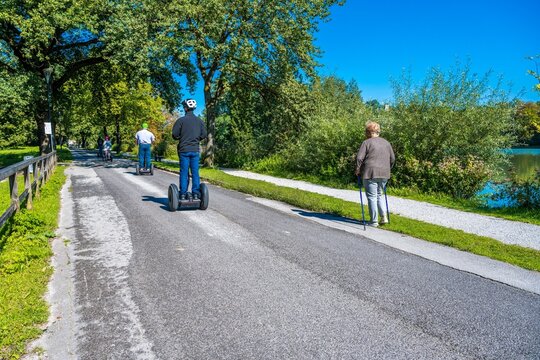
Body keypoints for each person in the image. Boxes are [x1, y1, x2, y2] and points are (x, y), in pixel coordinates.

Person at [355, 121, 395, 227]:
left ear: (368, 132)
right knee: (379, 195)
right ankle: (384, 217)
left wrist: (358, 169)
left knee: (372, 196)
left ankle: (374, 221)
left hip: (370, 172)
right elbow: (392, 159)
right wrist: (388, 168)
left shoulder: (366, 142)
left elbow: (359, 158)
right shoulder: (386, 143)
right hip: (385, 173)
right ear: (378, 131)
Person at [172, 99, 207, 200]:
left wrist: (181, 137)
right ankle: (196, 193)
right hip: (195, 150)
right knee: (195, 172)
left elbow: (174, 135)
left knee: (184, 172)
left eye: (184, 107)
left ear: (186, 108)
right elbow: (204, 134)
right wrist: (196, 139)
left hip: (183, 150)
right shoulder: (200, 121)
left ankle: (183, 194)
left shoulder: (181, 120)